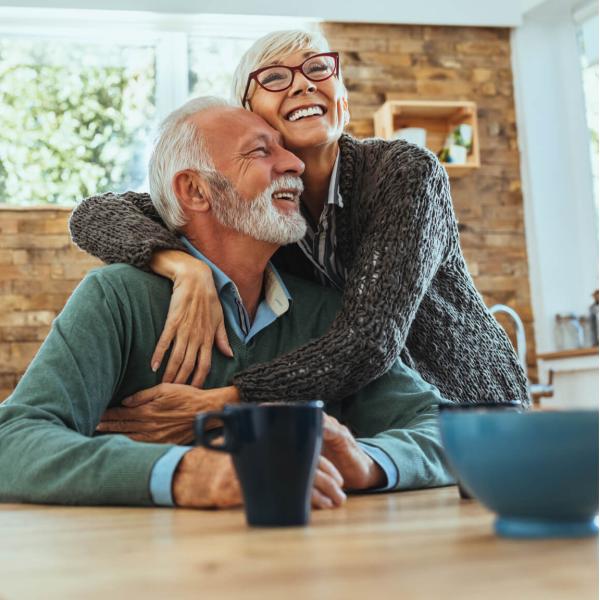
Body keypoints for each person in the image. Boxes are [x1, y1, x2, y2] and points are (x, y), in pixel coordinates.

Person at [0, 98, 454, 509]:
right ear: (196, 191)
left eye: (284, 149)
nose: (294, 162)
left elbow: (445, 429)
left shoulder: (327, 312)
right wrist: (186, 473)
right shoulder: (117, 298)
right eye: (261, 151)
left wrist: (368, 462)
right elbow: (12, 441)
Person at [69, 29, 529, 408]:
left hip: (472, 407)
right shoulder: (257, 209)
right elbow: (95, 214)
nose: (303, 84)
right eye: (273, 77)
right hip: (378, 418)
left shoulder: (405, 173)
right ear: (251, 117)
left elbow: (368, 340)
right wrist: (180, 265)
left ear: (342, 102)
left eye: (316, 68)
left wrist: (226, 401)